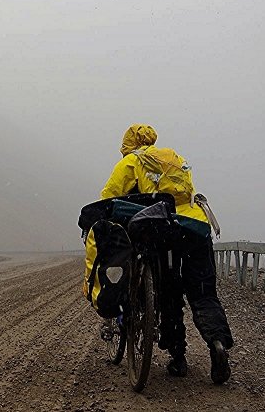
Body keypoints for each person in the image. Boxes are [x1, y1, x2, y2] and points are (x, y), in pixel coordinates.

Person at [100, 124, 233, 384]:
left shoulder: (132, 161)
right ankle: (217, 343)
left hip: (167, 231)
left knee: (169, 295)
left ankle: (178, 359)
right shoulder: (174, 158)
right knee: (204, 294)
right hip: (196, 227)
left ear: (128, 146)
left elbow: (108, 197)